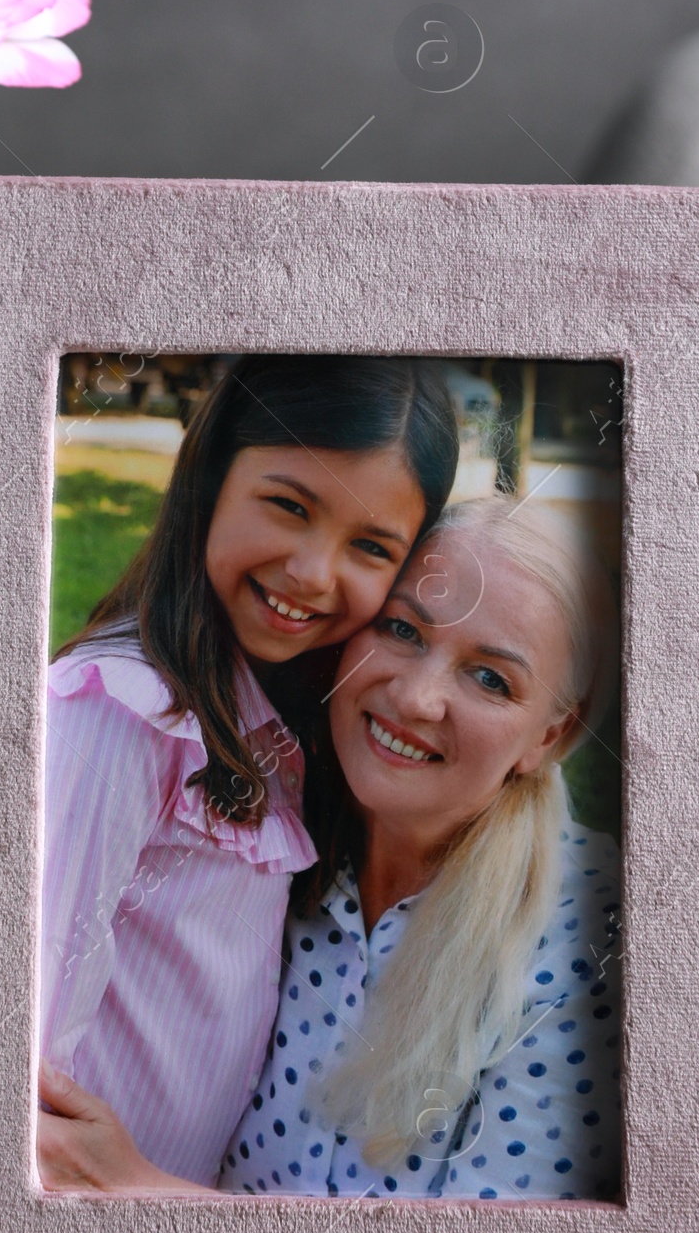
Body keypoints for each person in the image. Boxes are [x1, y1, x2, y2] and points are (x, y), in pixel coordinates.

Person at [43, 495, 621, 1202]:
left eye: (490, 678)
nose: (417, 697)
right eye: (403, 629)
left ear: (551, 736)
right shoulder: (277, 847)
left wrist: (138, 1189)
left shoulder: (589, 945)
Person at [38, 356, 459, 1190]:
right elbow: (30, 1013)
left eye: (370, 546)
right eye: (289, 505)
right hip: (89, 1221)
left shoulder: (272, 713)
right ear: (212, 474)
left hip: (172, 1217)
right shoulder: (125, 711)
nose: (311, 571)